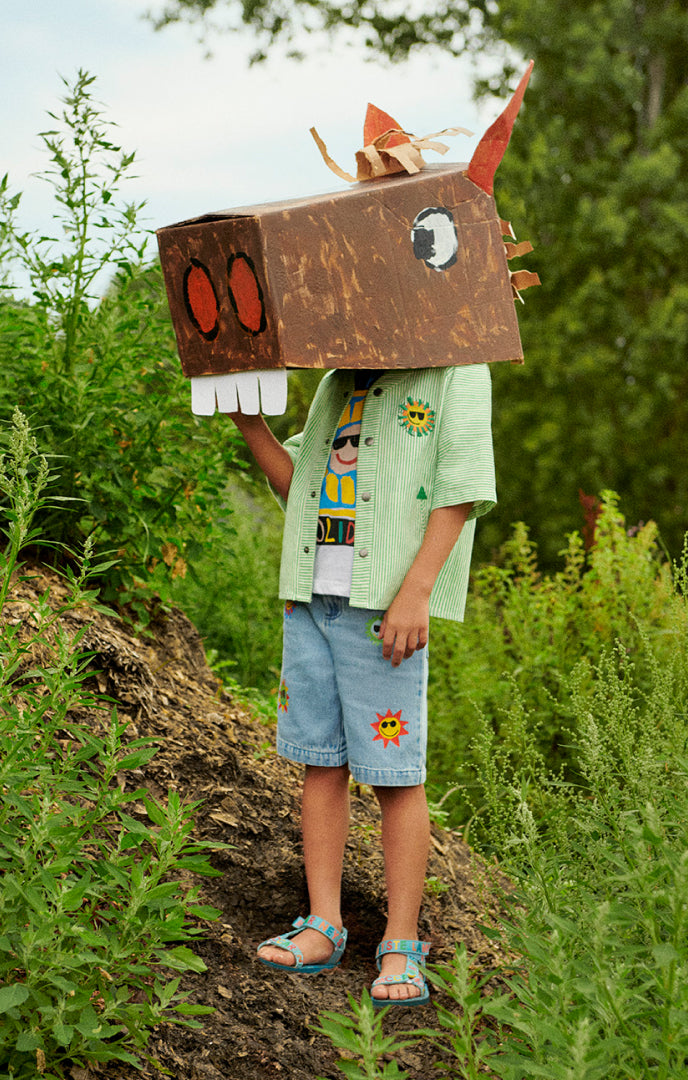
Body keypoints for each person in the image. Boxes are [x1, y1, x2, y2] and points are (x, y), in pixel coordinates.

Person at [226, 362, 495, 1006]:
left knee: (396, 774)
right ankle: (324, 923)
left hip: (384, 607)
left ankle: (401, 944)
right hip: (311, 599)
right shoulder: (339, 381)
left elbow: (462, 485)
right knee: (320, 761)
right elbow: (302, 488)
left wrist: (417, 591)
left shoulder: (456, 371)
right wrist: (248, 424)